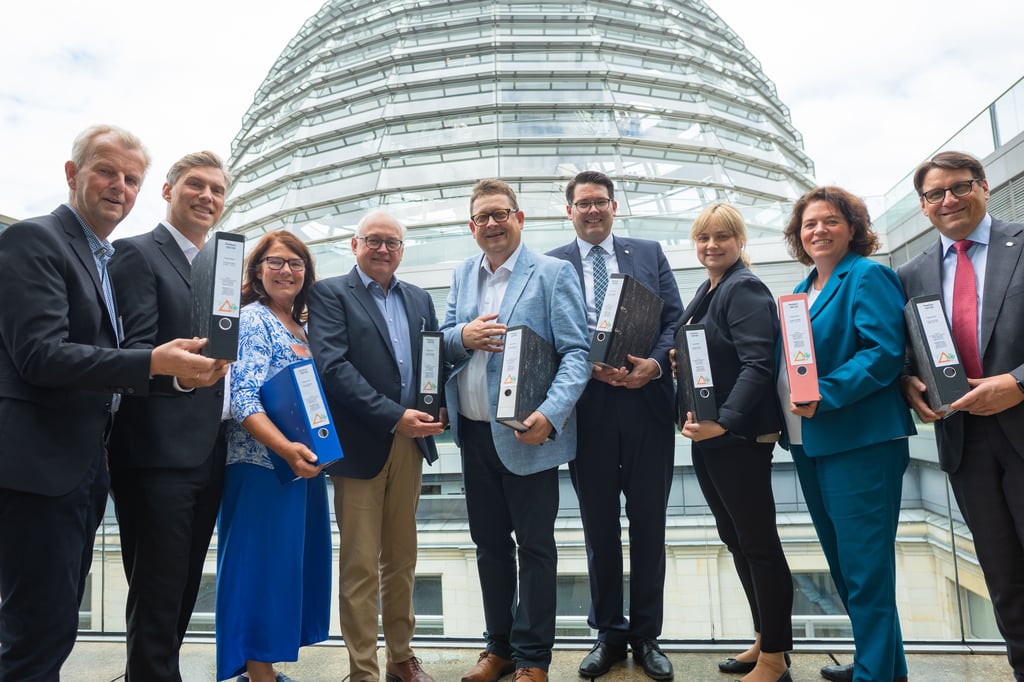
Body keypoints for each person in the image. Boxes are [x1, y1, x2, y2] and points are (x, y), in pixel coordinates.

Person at [0, 124, 225, 680]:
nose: (119, 186)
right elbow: (41, 355)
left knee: (52, 626)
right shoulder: (34, 240)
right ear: (72, 174)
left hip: (80, 466)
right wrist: (156, 364)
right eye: (105, 171)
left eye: (130, 178)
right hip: (41, 467)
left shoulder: (97, 257)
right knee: (35, 631)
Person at [442, 179, 591, 682]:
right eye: (482, 216)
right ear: (471, 226)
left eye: (500, 214)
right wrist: (462, 337)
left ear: (519, 218)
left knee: (535, 548)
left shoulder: (553, 273)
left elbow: (576, 353)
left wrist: (550, 415)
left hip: (528, 433)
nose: (491, 224)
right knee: (488, 546)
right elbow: (442, 341)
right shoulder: (462, 274)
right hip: (475, 433)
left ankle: (533, 658)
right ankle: (498, 648)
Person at [546, 170, 683, 680]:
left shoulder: (648, 253)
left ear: (613, 206)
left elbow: (675, 319)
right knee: (598, 524)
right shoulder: (552, 264)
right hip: (588, 409)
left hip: (646, 403)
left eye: (600, 202)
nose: (592, 210)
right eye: (582, 204)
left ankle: (647, 636)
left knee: (650, 522)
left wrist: (656, 361)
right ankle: (608, 632)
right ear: (570, 211)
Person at [779, 187, 915, 682]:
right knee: (845, 566)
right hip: (811, 444)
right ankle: (881, 664)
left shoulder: (868, 275)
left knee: (866, 570)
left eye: (830, 221)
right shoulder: (804, 288)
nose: (818, 230)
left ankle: (874, 674)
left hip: (861, 443)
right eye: (809, 224)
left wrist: (826, 394)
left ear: (853, 228)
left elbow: (882, 353)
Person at [107, 151, 233, 681]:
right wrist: (182, 376)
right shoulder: (136, 254)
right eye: (196, 186)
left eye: (218, 190)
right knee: (157, 592)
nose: (207, 197)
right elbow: (133, 352)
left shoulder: (222, 269)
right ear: (168, 190)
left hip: (209, 451)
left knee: (181, 588)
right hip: (156, 454)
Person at [898, 151, 1024, 681]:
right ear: (924, 207)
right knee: (1002, 575)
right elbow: (905, 351)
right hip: (963, 442)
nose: (948, 200)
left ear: (984, 186)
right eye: (935, 194)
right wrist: (907, 382)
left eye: (959, 187)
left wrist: (1017, 382)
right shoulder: (910, 272)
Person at [308, 211, 444, 682]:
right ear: (355, 244)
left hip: (410, 446)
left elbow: (432, 361)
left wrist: (433, 408)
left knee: (403, 559)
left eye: (392, 242)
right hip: (362, 448)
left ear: (402, 250)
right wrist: (394, 416)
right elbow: (334, 367)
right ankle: (363, 670)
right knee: (361, 565)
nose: (383, 249)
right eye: (374, 241)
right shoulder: (328, 293)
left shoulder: (420, 298)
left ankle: (401, 659)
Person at [671, 204, 793, 682]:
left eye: (723, 237)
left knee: (759, 545)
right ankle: (765, 637)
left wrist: (724, 422)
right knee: (737, 539)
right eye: (704, 238)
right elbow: (716, 352)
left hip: (737, 436)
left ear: (740, 241)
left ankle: (775, 659)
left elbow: (758, 365)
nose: (712, 246)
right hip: (711, 436)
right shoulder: (709, 288)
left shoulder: (744, 288)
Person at [216, 231, 332, 682]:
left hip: (301, 467)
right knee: (257, 568)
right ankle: (257, 671)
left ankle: (263, 664)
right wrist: (286, 448)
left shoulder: (303, 326)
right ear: (257, 271)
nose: (287, 271)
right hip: (261, 466)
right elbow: (243, 397)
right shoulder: (253, 320)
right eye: (277, 262)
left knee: (285, 569)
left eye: (296, 263)